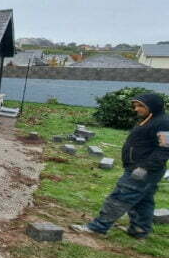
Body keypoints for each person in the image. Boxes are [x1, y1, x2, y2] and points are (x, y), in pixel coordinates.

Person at [72, 93, 169, 238]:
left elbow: (165, 149)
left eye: (141, 105)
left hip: (144, 170)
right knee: (143, 200)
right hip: (139, 168)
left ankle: (98, 228)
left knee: (120, 197)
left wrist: (145, 168)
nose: (136, 109)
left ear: (153, 106)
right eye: (135, 105)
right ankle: (139, 230)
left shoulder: (163, 123)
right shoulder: (149, 119)